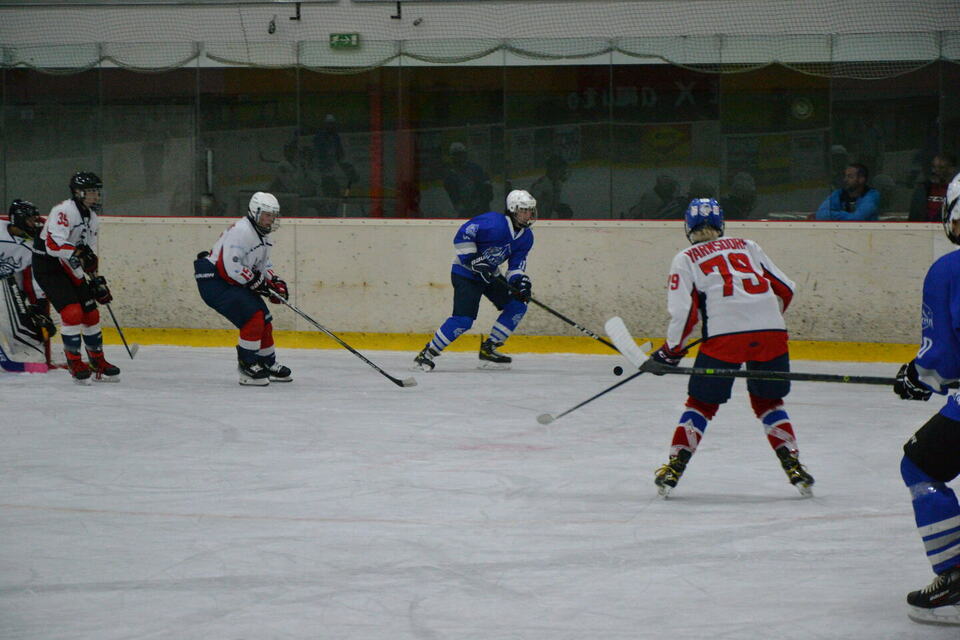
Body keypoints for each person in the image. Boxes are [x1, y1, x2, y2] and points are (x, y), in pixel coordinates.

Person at [647, 197, 814, 498]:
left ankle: (674, 469)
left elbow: (685, 314)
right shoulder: (748, 245)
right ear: (721, 223)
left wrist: (671, 352)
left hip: (724, 340)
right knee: (769, 403)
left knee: (701, 405)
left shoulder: (685, 258)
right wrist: (765, 318)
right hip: (772, 333)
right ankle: (794, 466)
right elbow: (787, 289)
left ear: (687, 226)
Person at [891, 173, 960, 626]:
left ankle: (955, 577)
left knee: (920, 466)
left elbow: (942, 361)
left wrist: (918, 378)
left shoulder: (949, 269)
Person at [414, 189, 536, 371]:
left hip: (490, 275)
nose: (528, 215)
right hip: (466, 274)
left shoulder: (526, 237)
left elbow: (516, 266)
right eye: (524, 210)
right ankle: (426, 354)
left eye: (530, 210)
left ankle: (489, 349)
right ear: (512, 210)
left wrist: (520, 282)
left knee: (517, 304)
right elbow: (463, 233)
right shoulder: (493, 222)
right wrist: (471, 259)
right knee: (463, 320)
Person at [194, 192, 292, 386]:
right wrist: (258, 283)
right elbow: (229, 267)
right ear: (255, 212)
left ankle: (266, 362)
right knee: (253, 317)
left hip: (231, 281)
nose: (270, 219)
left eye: (273, 215)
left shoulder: (263, 235)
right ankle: (247, 365)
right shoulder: (242, 231)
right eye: (267, 215)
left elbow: (262, 265)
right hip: (215, 281)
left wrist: (274, 281)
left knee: (265, 319)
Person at [31, 172, 118, 383]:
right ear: (78, 193)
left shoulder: (92, 218)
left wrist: (95, 279)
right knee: (72, 312)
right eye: (92, 192)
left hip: (69, 263)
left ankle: (97, 360)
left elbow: (88, 254)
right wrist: (79, 254)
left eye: (97, 192)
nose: (96, 196)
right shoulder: (63, 211)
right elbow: (53, 246)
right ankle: (75, 362)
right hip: (49, 266)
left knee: (91, 314)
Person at [0, 199, 56, 348]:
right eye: (30, 220)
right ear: (19, 219)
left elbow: (34, 280)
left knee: (33, 331)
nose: (34, 224)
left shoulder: (33, 247)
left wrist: (39, 309)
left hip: (6, 292)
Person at [312, 114, 356, 215]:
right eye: (328, 124)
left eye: (332, 124)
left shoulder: (335, 138)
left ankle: (332, 213)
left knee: (334, 196)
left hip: (331, 176)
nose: (330, 126)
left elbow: (340, 155)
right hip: (323, 176)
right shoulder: (320, 139)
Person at [443, 142, 493, 218]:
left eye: (461, 154)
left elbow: (488, 191)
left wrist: (483, 202)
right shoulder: (450, 176)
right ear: (452, 157)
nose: (459, 158)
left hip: (481, 210)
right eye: (456, 155)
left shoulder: (476, 169)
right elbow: (453, 196)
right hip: (466, 212)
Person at [815, 163, 880, 221]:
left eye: (850, 177)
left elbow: (858, 218)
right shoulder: (839, 194)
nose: (845, 180)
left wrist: (835, 214)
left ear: (861, 179)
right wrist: (848, 215)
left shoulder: (872, 195)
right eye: (845, 176)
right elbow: (820, 214)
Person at [909, 152, 957, 222]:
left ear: (951, 169)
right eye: (933, 167)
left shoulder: (956, 191)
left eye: (941, 168)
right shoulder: (923, 190)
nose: (934, 171)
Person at [529, 155, 573, 219]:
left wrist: (559, 208)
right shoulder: (541, 186)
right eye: (562, 170)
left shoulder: (557, 184)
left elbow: (553, 204)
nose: (564, 173)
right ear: (555, 170)